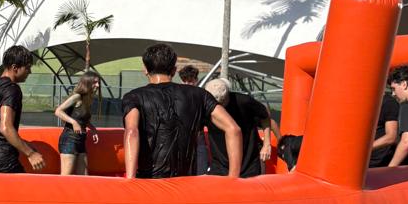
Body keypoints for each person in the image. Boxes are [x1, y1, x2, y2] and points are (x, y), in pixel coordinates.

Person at [122, 44, 241, 179]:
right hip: (185, 182)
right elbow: (233, 129)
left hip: (148, 182)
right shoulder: (199, 95)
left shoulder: (134, 97)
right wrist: (233, 178)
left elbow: (132, 132)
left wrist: (130, 180)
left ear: (145, 69)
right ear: (174, 70)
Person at [0, 45, 45, 173]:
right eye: (27, 68)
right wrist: (30, 153)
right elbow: (5, 128)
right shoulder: (11, 88)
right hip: (3, 160)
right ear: (15, 68)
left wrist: (23, 144)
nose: (29, 72)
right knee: (25, 187)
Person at [204, 79, 279, 178]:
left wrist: (267, 144)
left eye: (223, 102)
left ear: (228, 94)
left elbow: (265, 115)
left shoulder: (243, 101)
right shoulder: (205, 105)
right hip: (219, 164)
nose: (219, 106)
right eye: (216, 103)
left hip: (248, 162)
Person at [54, 72, 100, 176]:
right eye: (95, 82)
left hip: (80, 140)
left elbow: (82, 120)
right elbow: (58, 111)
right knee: (66, 176)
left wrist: (93, 129)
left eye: (98, 83)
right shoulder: (77, 97)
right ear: (87, 82)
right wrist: (73, 122)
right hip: (69, 140)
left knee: (84, 176)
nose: (98, 85)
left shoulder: (87, 99)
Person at [368, 91, 399, 167]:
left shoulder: (389, 103)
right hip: (362, 158)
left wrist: (364, 149)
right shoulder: (361, 101)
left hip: (378, 161)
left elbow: (391, 137)